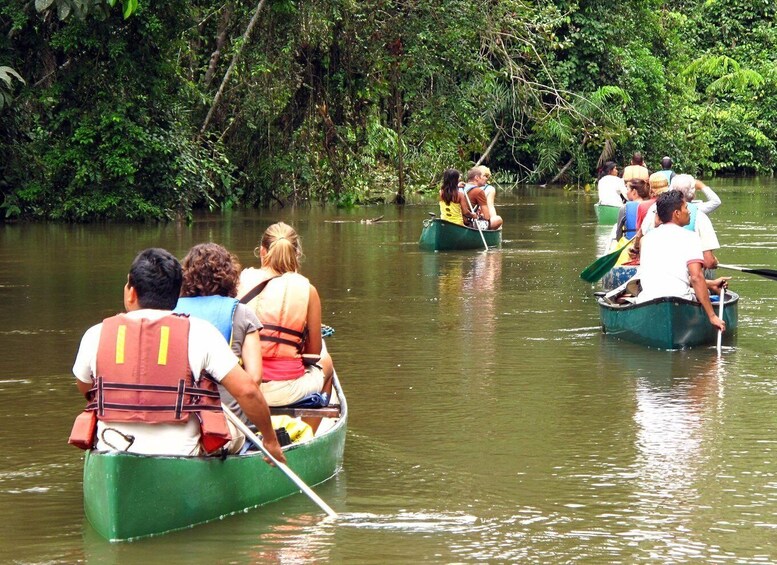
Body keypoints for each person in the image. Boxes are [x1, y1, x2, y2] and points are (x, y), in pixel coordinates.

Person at [70, 248, 285, 462]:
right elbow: (248, 391)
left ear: (131, 292)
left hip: (111, 445)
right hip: (182, 451)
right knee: (235, 432)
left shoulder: (95, 334)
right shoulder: (201, 331)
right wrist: (270, 441)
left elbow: (86, 387)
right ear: (176, 293)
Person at [238, 222, 334, 412]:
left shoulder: (241, 280)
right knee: (327, 363)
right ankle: (306, 433)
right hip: (285, 390)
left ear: (262, 252)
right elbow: (313, 354)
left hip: (242, 384)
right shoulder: (307, 289)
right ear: (296, 254)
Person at [173, 243, 264, 426]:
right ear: (230, 276)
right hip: (227, 418)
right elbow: (254, 378)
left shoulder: (170, 311)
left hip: (180, 415)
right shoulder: (242, 313)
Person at [635, 191, 728, 336]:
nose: (689, 211)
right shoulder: (691, 238)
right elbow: (696, 277)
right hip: (680, 300)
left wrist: (711, 284)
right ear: (677, 213)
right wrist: (712, 316)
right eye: (686, 207)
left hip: (648, 301)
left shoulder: (645, 239)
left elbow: (669, 274)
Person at [636, 174, 721, 269]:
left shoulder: (655, 208)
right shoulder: (699, 214)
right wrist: (714, 262)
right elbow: (708, 262)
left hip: (656, 270)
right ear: (692, 193)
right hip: (686, 274)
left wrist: (635, 248)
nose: (688, 211)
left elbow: (641, 235)